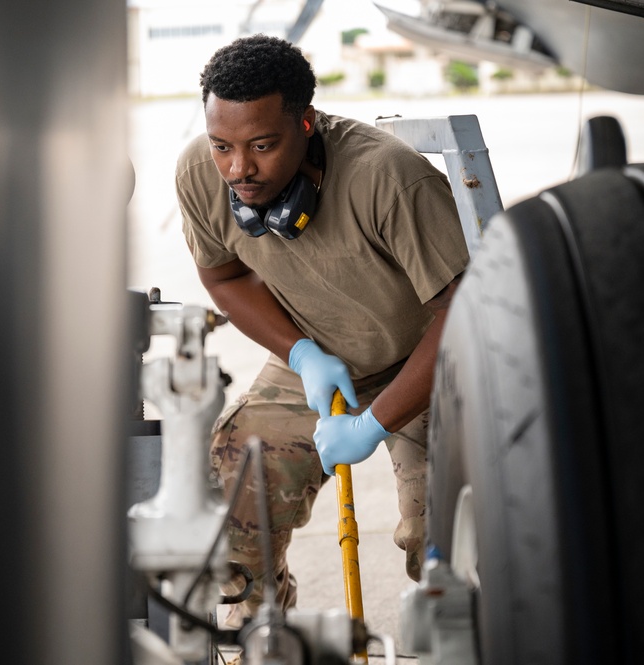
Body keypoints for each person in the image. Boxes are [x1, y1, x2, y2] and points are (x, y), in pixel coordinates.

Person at [174, 34, 469, 623]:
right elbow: (224, 277)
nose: (239, 169)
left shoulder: (387, 178)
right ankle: (257, 635)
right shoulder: (200, 175)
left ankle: (451, 635)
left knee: (439, 537)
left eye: (262, 145)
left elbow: (465, 313)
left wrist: (375, 422)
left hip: (427, 366)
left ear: (306, 123)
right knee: (235, 491)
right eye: (222, 146)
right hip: (313, 355)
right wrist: (301, 353)